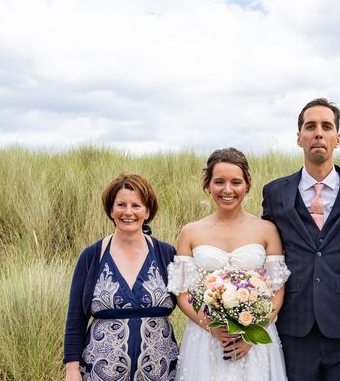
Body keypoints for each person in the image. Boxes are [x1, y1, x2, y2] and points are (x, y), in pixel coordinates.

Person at [261, 98, 340, 381]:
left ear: (338, 138)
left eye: (327, 126)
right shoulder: (275, 193)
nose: (318, 133)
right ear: (299, 138)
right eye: (310, 127)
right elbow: (267, 254)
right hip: (294, 325)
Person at [168, 147, 290, 381]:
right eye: (219, 182)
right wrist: (210, 326)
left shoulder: (267, 230)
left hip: (255, 340)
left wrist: (252, 335)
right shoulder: (190, 232)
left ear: (247, 184)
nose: (227, 190)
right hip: (206, 339)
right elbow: (182, 293)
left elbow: (277, 291)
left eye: (235, 182)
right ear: (208, 185)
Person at [63, 173, 178, 381]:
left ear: (148, 211)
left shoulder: (166, 254)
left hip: (161, 371)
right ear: (110, 209)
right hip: (100, 372)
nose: (128, 212)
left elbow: (190, 303)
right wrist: (71, 371)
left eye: (136, 205)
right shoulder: (92, 256)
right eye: (121, 205)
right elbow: (75, 318)